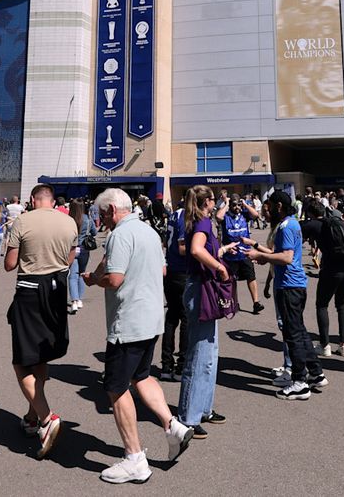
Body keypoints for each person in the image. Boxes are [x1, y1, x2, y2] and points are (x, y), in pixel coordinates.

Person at [83, 189, 194, 483]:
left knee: (116, 387)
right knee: (142, 376)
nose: (101, 220)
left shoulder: (119, 235)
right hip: (151, 317)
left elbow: (114, 278)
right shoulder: (148, 231)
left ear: (111, 210)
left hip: (128, 322)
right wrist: (98, 274)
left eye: (102, 214)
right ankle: (173, 426)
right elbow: (160, 270)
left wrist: (95, 281)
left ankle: (134, 458)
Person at [4, 184, 77, 458]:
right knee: (41, 354)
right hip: (57, 289)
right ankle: (32, 415)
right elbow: (71, 256)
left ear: (34, 200)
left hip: (30, 290)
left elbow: (10, 264)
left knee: (22, 361)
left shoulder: (24, 220)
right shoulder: (68, 221)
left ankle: (47, 418)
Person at [246, 191, 328, 400]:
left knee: (293, 334)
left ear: (279, 206)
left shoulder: (286, 226)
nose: (268, 209)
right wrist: (261, 253)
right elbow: (281, 255)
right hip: (293, 285)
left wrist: (260, 255)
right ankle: (316, 373)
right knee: (299, 331)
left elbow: (287, 257)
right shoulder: (290, 224)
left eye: (271, 205)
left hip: (290, 286)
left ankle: (300, 382)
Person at [176, 186, 238, 434]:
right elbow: (196, 250)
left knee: (210, 354)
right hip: (200, 289)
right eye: (214, 199)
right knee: (200, 354)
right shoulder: (201, 224)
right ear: (207, 202)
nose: (217, 203)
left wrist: (222, 251)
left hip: (202, 287)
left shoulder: (199, 222)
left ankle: (203, 408)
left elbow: (202, 251)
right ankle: (189, 415)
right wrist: (220, 267)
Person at [313, 201, 344, 357]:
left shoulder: (325, 227)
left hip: (331, 269)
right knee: (342, 305)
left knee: (322, 305)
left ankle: (324, 345)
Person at [160, 204, 190, 382]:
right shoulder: (184, 217)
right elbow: (182, 247)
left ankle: (166, 365)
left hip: (170, 269)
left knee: (172, 316)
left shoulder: (173, 215)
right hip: (182, 271)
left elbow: (165, 242)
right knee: (185, 317)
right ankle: (181, 365)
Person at [219, 195, 263, 315]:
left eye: (238, 204)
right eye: (234, 205)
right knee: (232, 280)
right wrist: (227, 203)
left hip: (245, 253)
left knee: (251, 277)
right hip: (231, 254)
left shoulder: (244, 214)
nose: (236, 207)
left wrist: (246, 205)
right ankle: (234, 302)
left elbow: (255, 215)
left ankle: (256, 303)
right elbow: (218, 216)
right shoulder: (226, 216)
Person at [67, 199, 96, 313]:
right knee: (81, 274)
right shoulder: (88, 219)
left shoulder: (69, 220)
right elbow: (94, 232)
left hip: (72, 249)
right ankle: (79, 299)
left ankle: (74, 300)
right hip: (84, 249)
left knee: (72, 275)